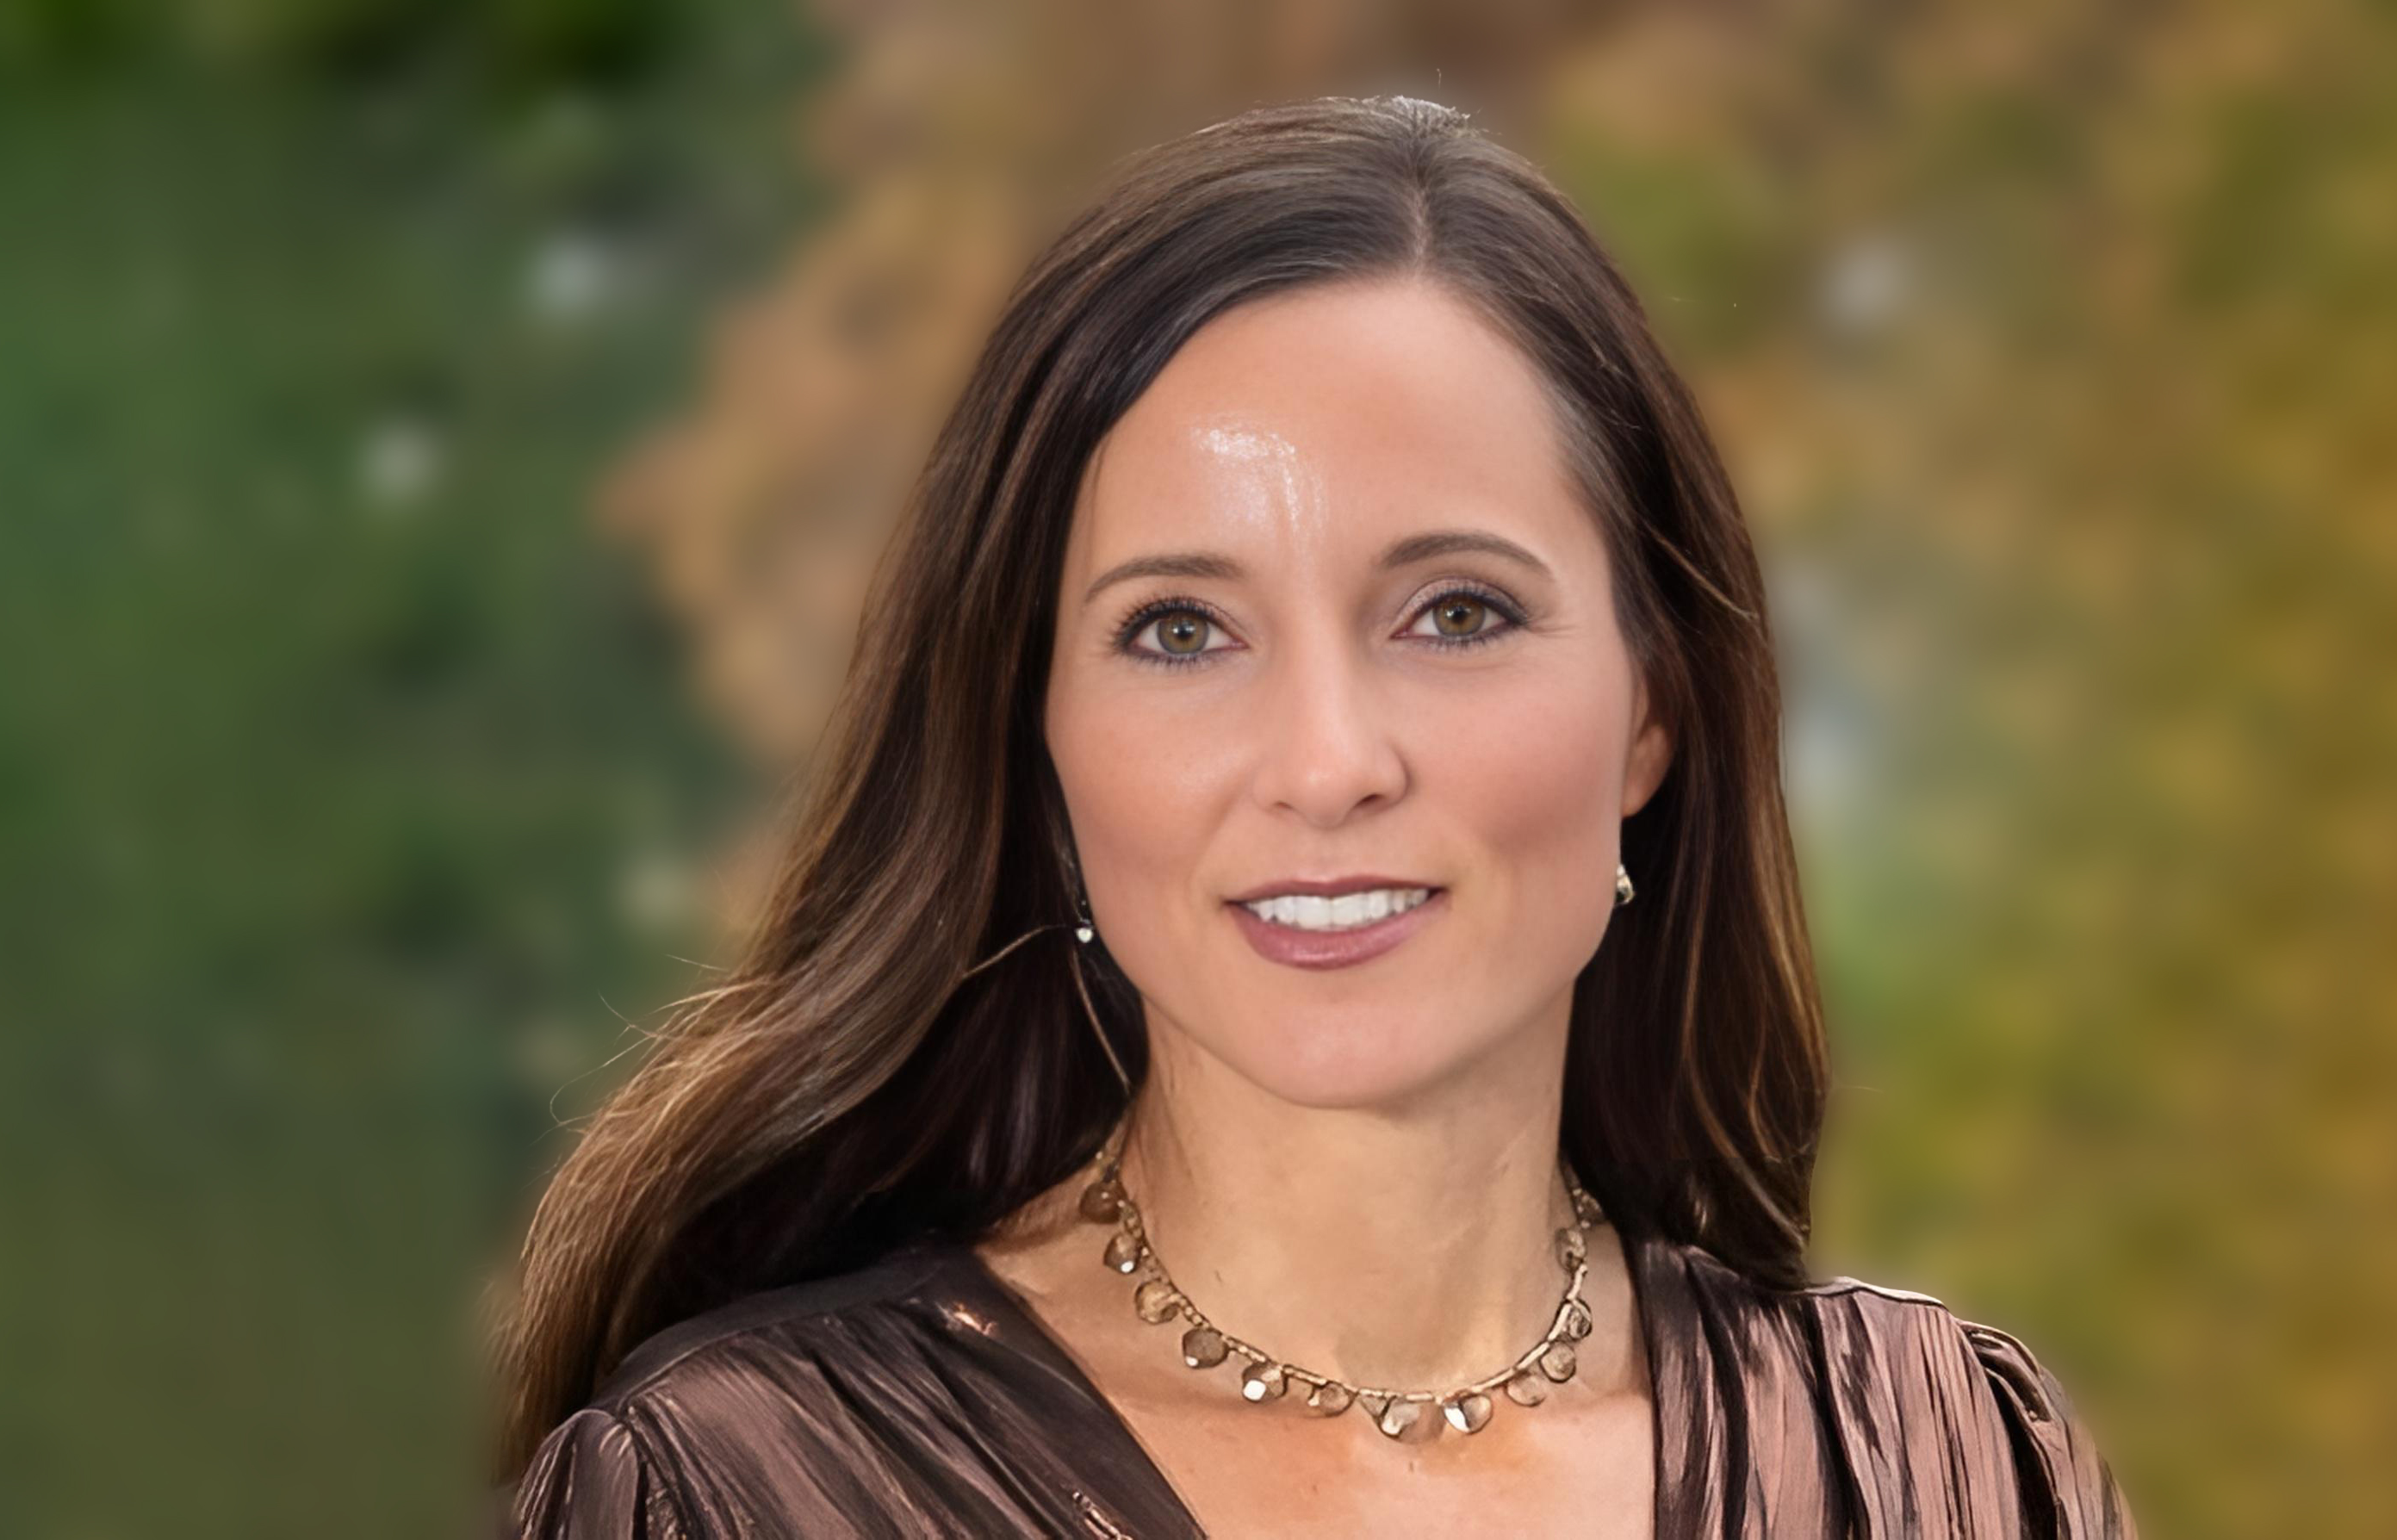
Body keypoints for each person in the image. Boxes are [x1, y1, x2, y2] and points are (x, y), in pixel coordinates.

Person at [492, 94, 2136, 1538]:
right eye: (1180, 633)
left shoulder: (1950, 1469)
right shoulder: (729, 1498)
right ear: (1038, 740)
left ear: (1653, 705)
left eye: (1455, 613)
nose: (1328, 759)